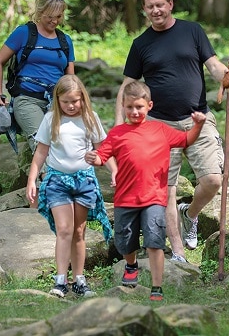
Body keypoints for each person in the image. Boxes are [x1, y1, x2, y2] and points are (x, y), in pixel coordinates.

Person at [114, 0, 229, 263]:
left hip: (198, 118)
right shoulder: (141, 44)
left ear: (170, 4)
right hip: (158, 127)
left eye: (160, 4)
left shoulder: (192, 31)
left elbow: (214, 65)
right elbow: (128, 87)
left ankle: (190, 214)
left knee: (212, 180)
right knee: (166, 191)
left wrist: (226, 77)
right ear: (144, 9)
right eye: (150, 7)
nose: (156, 10)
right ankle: (179, 254)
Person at [86, 80, 206, 301]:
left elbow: (186, 139)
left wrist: (197, 125)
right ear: (123, 106)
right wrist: (93, 158)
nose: (134, 111)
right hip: (125, 199)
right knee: (124, 241)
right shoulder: (117, 133)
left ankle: (156, 287)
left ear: (149, 105)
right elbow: (102, 156)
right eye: (130, 107)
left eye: (139, 107)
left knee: (154, 241)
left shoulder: (160, 129)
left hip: (154, 198)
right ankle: (131, 266)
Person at [26, 74, 117, 298]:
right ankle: (60, 280)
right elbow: (41, 152)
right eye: (65, 102)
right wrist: (32, 179)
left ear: (83, 99)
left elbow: (102, 149)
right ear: (57, 100)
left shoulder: (90, 119)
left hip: (83, 181)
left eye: (75, 101)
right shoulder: (51, 120)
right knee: (64, 229)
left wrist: (114, 170)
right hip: (57, 181)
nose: (70, 106)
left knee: (79, 231)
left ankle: (79, 279)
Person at [0, 0, 75, 163]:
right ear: (40, 12)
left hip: (57, 103)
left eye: (59, 16)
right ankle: (49, 187)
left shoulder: (65, 41)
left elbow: (71, 80)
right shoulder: (24, 33)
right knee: (41, 144)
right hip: (27, 99)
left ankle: (54, 185)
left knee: (65, 146)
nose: (54, 21)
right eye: (50, 16)